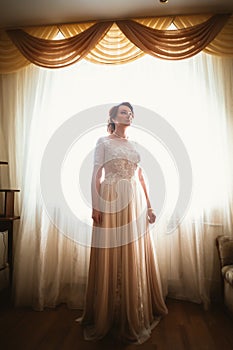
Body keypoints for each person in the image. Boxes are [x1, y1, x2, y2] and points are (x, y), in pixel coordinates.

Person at [77, 102, 168, 344]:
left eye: (130, 112)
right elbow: (96, 175)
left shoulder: (135, 145)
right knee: (111, 251)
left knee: (132, 251)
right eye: (124, 112)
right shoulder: (103, 142)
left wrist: (149, 206)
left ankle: (131, 309)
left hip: (134, 201)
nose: (129, 115)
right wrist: (95, 206)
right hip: (110, 198)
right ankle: (110, 311)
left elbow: (140, 176)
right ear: (113, 118)